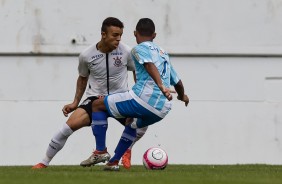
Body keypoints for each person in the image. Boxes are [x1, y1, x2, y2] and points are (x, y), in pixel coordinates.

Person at [32, 17, 147, 169]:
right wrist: (75, 102)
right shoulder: (86, 55)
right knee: (67, 128)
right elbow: (82, 78)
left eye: (120, 35)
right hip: (95, 99)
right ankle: (43, 162)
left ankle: (125, 151)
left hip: (120, 97)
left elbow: (137, 73)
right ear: (103, 34)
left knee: (141, 123)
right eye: (115, 35)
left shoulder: (126, 52)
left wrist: (138, 94)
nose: (118, 39)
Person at [81, 18, 189, 171]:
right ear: (155, 35)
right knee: (131, 122)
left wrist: (160, 85)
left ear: (135, 33)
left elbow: (148, 65)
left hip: (142, 99)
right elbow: (177, 82)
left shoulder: (138, 49)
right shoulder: (163, 54)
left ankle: (100, 151)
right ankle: (113, 162)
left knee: (97, 105)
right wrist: (182, 96)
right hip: (162, 109)